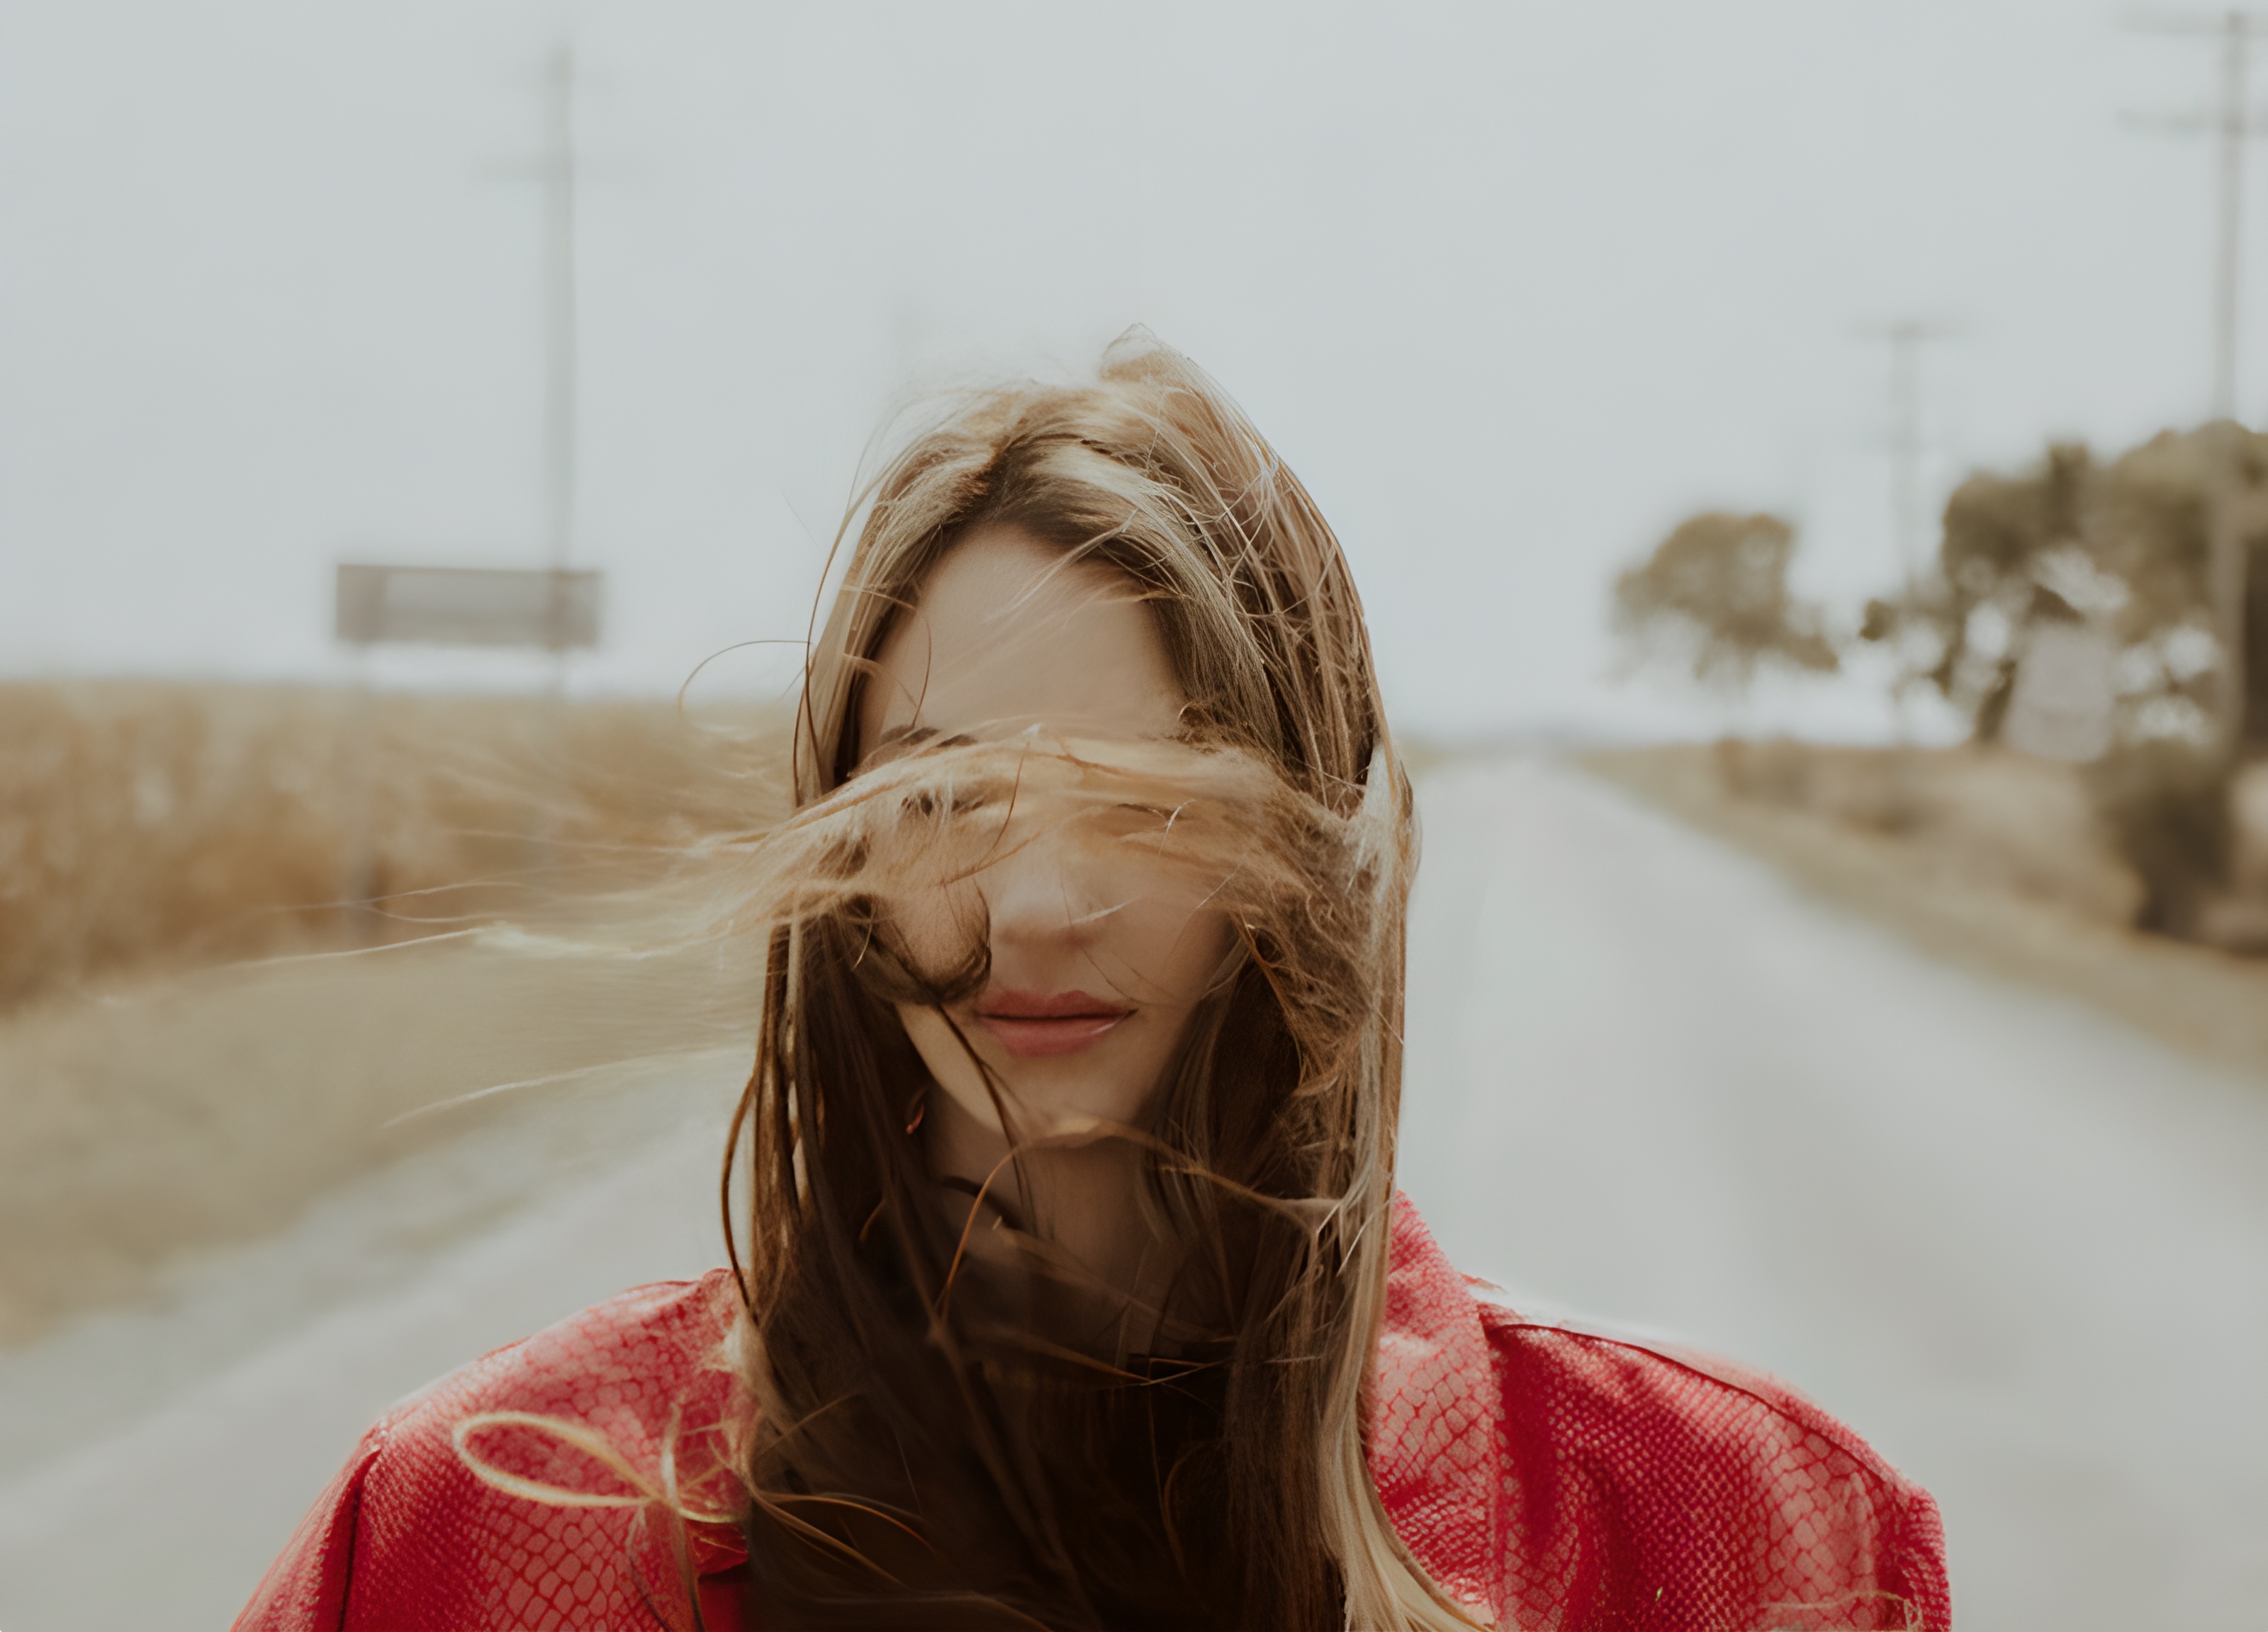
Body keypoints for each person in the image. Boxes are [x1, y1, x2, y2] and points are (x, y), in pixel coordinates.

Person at [237, 335, 1949, 1631]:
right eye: (942, 793)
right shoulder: (475, 1524)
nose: (1041, 899)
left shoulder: (1734, 1539)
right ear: (836, 843)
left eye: (1148, 802)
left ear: (1317, 846)